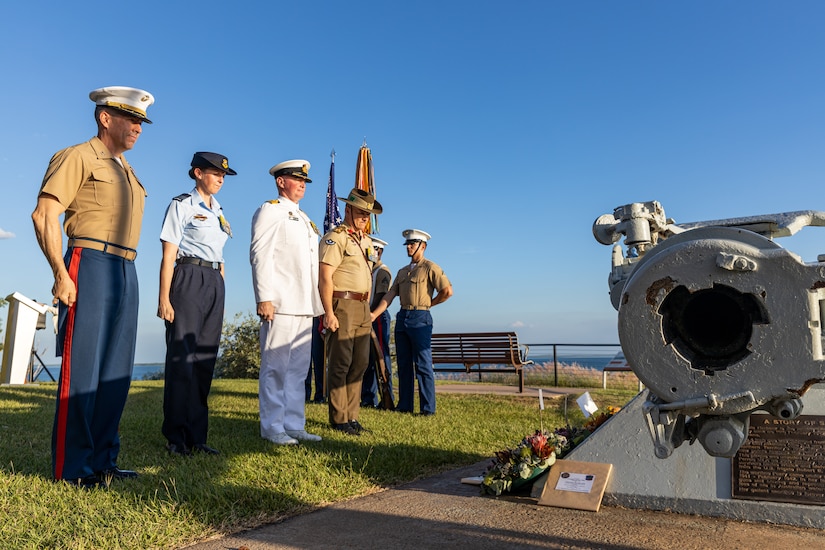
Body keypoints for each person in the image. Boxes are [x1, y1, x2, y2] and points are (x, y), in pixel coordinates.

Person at [31, 86, 155, 487]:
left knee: (116, 373)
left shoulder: (127, 170)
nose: (138, 127)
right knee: (82, 370)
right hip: (89, 262)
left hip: (126, 267)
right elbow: (44, 214)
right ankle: (73, 469)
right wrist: (60, 274)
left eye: (141, 122)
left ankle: (103, 460)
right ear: (105, 118)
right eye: (131, 119)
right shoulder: (78, 156)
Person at [158, 152, 237, 457]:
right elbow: (168, 255)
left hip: (214, 280)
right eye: (215, 173)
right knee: (182, 360)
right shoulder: (182, 205)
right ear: (197, 173)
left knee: (204, 360)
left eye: (223, 175)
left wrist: (221, 294)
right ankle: (176, 438)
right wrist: (164, 298)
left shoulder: (218, 210)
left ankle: (197, 436)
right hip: (188, 277)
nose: (220, 179)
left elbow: (221, 257)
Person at [251, 159, 325, 445]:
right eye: (297, 179)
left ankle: (294, 424)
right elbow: (260, 254)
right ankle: (272, 427)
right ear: (281, 182)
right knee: (275, 368)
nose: (303, 184)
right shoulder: (270, 210)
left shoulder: (304, 218)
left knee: (297, 370)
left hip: (304, 303)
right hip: (280, 301)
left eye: (305, 180)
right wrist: (264, 297)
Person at [318, 188, 382, 435]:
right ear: (347, 210)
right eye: (360, 213)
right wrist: (328, 312)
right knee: (340, 363)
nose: (364, 218)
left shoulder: (365, 241)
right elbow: (325, 277)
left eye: (367, 214)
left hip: (363, 307)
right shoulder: (336, 237)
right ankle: (339, 418)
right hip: (342, 304)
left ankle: (352, 416)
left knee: (360, 363)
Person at [371, 229, 453, 416]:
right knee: (404, 363)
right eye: (408, 244)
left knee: (423, 365)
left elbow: (447, 291)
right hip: (403, 317)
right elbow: (390, 295)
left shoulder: (430, 268)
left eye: (412, 244)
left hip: (420, 318)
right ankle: (405, 405)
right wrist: (374, 314)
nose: (409, 247)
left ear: (422, 246)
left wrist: (429, 304)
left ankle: (427, 409)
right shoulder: (402, 272)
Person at [361, 237, 393, 408]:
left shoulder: (382, 271)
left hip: (377, 316)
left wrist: (369, 313)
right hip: (366, 316)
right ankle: (368, 397)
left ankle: (387, 396)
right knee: (366, 358)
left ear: (379, 252)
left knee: (381, 357)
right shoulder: (368, 270)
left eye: (373, 250)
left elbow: (380, 296)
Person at [305, 315, 325, 403]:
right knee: (304, 357)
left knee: (319, 358)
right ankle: (304, 393)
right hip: (304, 315)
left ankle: (320, 395)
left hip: (319, 315)